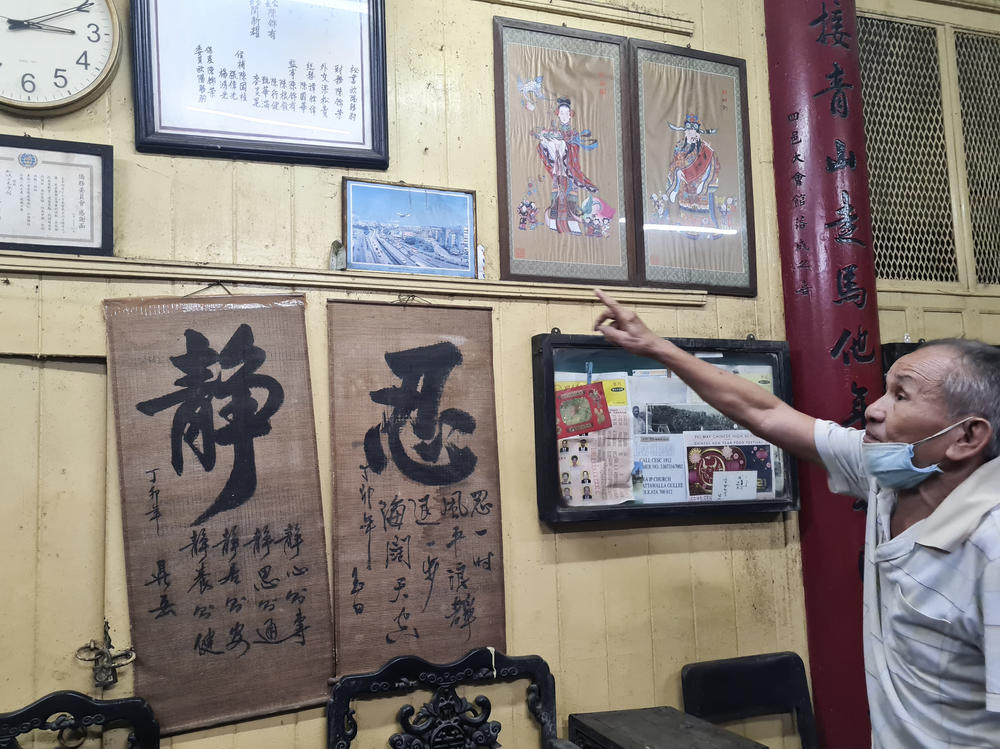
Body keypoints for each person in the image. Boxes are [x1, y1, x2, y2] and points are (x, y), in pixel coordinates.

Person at [593, 288, 1000, 749]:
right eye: (884, 389)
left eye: (900, 396)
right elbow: (762, 411)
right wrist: (655, 345)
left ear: (966, 436)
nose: (873, 409)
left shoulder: (991, 544)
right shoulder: (888, 472)